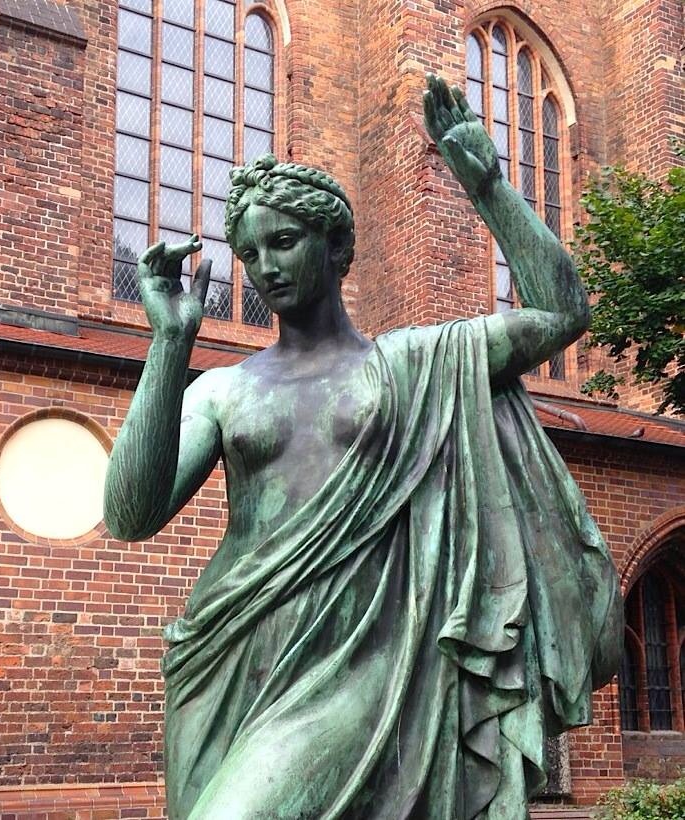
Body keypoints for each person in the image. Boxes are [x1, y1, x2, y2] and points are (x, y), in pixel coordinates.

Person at [104, 75, 622, 820]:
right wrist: (168, 344)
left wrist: (488, 187)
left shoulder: (415, 363)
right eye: (250, 252)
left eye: (284, 242)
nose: (266, 266)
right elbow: (130, 514)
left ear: (338, 246)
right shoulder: (222, 390)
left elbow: (562, 313)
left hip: (362, 650)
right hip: (229, 648)